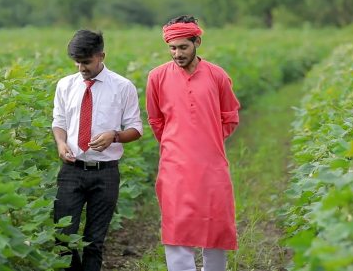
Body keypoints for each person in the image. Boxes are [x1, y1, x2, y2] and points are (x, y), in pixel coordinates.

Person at [145, 15, 241, 271]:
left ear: (197, 41)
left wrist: (207, 140)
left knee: (216, 225)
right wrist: (177, 144)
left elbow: (230, 116)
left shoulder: (217, 75)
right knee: (177, 226)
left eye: (183, 47)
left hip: (212, 165)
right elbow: (156, 121)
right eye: (172, 48)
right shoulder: (156, 77)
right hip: (174, 166)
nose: (177, 53)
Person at [52, 29, 143, 271]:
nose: (81, 67)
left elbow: (135, 129)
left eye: (87, 62)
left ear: (101, 56)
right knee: (63, 237)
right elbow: (59, 122)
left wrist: (114, 136)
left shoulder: (123, 87)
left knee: (94, 242)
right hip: (71, 169)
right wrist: (61, 143)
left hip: (106, 173)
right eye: (77, 62)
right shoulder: (65, 86)